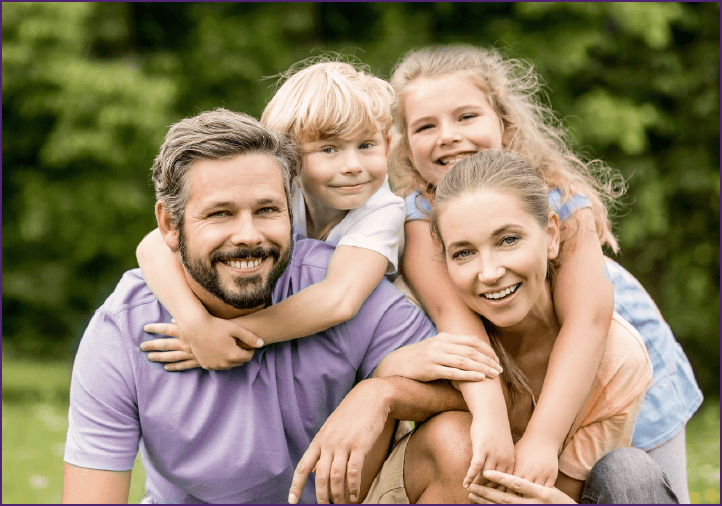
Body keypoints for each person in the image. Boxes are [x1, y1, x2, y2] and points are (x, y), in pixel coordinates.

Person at [61, 109, 477, 504]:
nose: (248, 235)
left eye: (266, 210)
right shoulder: (125, 329)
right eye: (220, 214)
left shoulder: (345, 287)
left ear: (289, 209)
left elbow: (476, 397)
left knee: (457, 439)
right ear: (171, 226)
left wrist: (381, 394)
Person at [386, 44, 702, 501]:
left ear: (504, 123)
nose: (448, 136)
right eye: (426, 126)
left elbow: (588, 322)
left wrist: (543, 439)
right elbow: (458, 321)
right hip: (522, 364)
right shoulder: (419, 216)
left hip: (614, 349)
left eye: (466, 117)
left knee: (636, 482)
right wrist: (492, 417)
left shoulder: (557, 197)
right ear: (404, 144)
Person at [135, 58, 433, 378]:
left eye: (366, 145)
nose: (352, 165)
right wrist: (196, 324)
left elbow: (338, 300)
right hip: (299, 337)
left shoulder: (382, 210)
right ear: (291, 156)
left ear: (386, 144)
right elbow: (152, 245)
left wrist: (228, 333)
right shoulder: (279, 189)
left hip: (370, 343)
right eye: (329, 149)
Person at [410, 149, 675, 503]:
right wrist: (377, 393)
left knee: (632, 473)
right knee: (453, 437)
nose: (489, 273)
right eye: (463, 253)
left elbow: (554, 492)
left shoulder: (619, 359)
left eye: (508, 240)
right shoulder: (433, 325)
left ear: (551, 235)